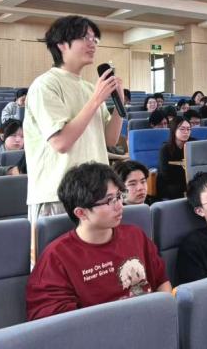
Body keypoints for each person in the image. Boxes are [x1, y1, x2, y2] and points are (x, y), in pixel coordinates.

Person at [26, 162, 171, 320]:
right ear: (81, 213)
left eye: (119, 196)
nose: (119, 206)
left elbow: (161, 281)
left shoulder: (135, 235)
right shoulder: (56, 258)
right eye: (109, 201)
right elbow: (57, 323)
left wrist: (167, 317)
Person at [24, 16, 124, 224]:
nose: (92, 44)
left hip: (96, 195)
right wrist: (96, 99)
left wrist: (120, 103)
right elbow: (61, 143)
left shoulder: (89, 88)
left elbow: (110, 139)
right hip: (57, 195)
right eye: (85, 37)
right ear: (61, 44)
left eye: (94, 39)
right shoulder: (45, 85)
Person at [157, 117, 195, 199]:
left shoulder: (194, 144)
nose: (186, 132)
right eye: (182, 129)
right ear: (174, 130)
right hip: (170, 185)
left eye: (188, 129)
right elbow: (166, 175)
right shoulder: (165, 149)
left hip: (189, 182)